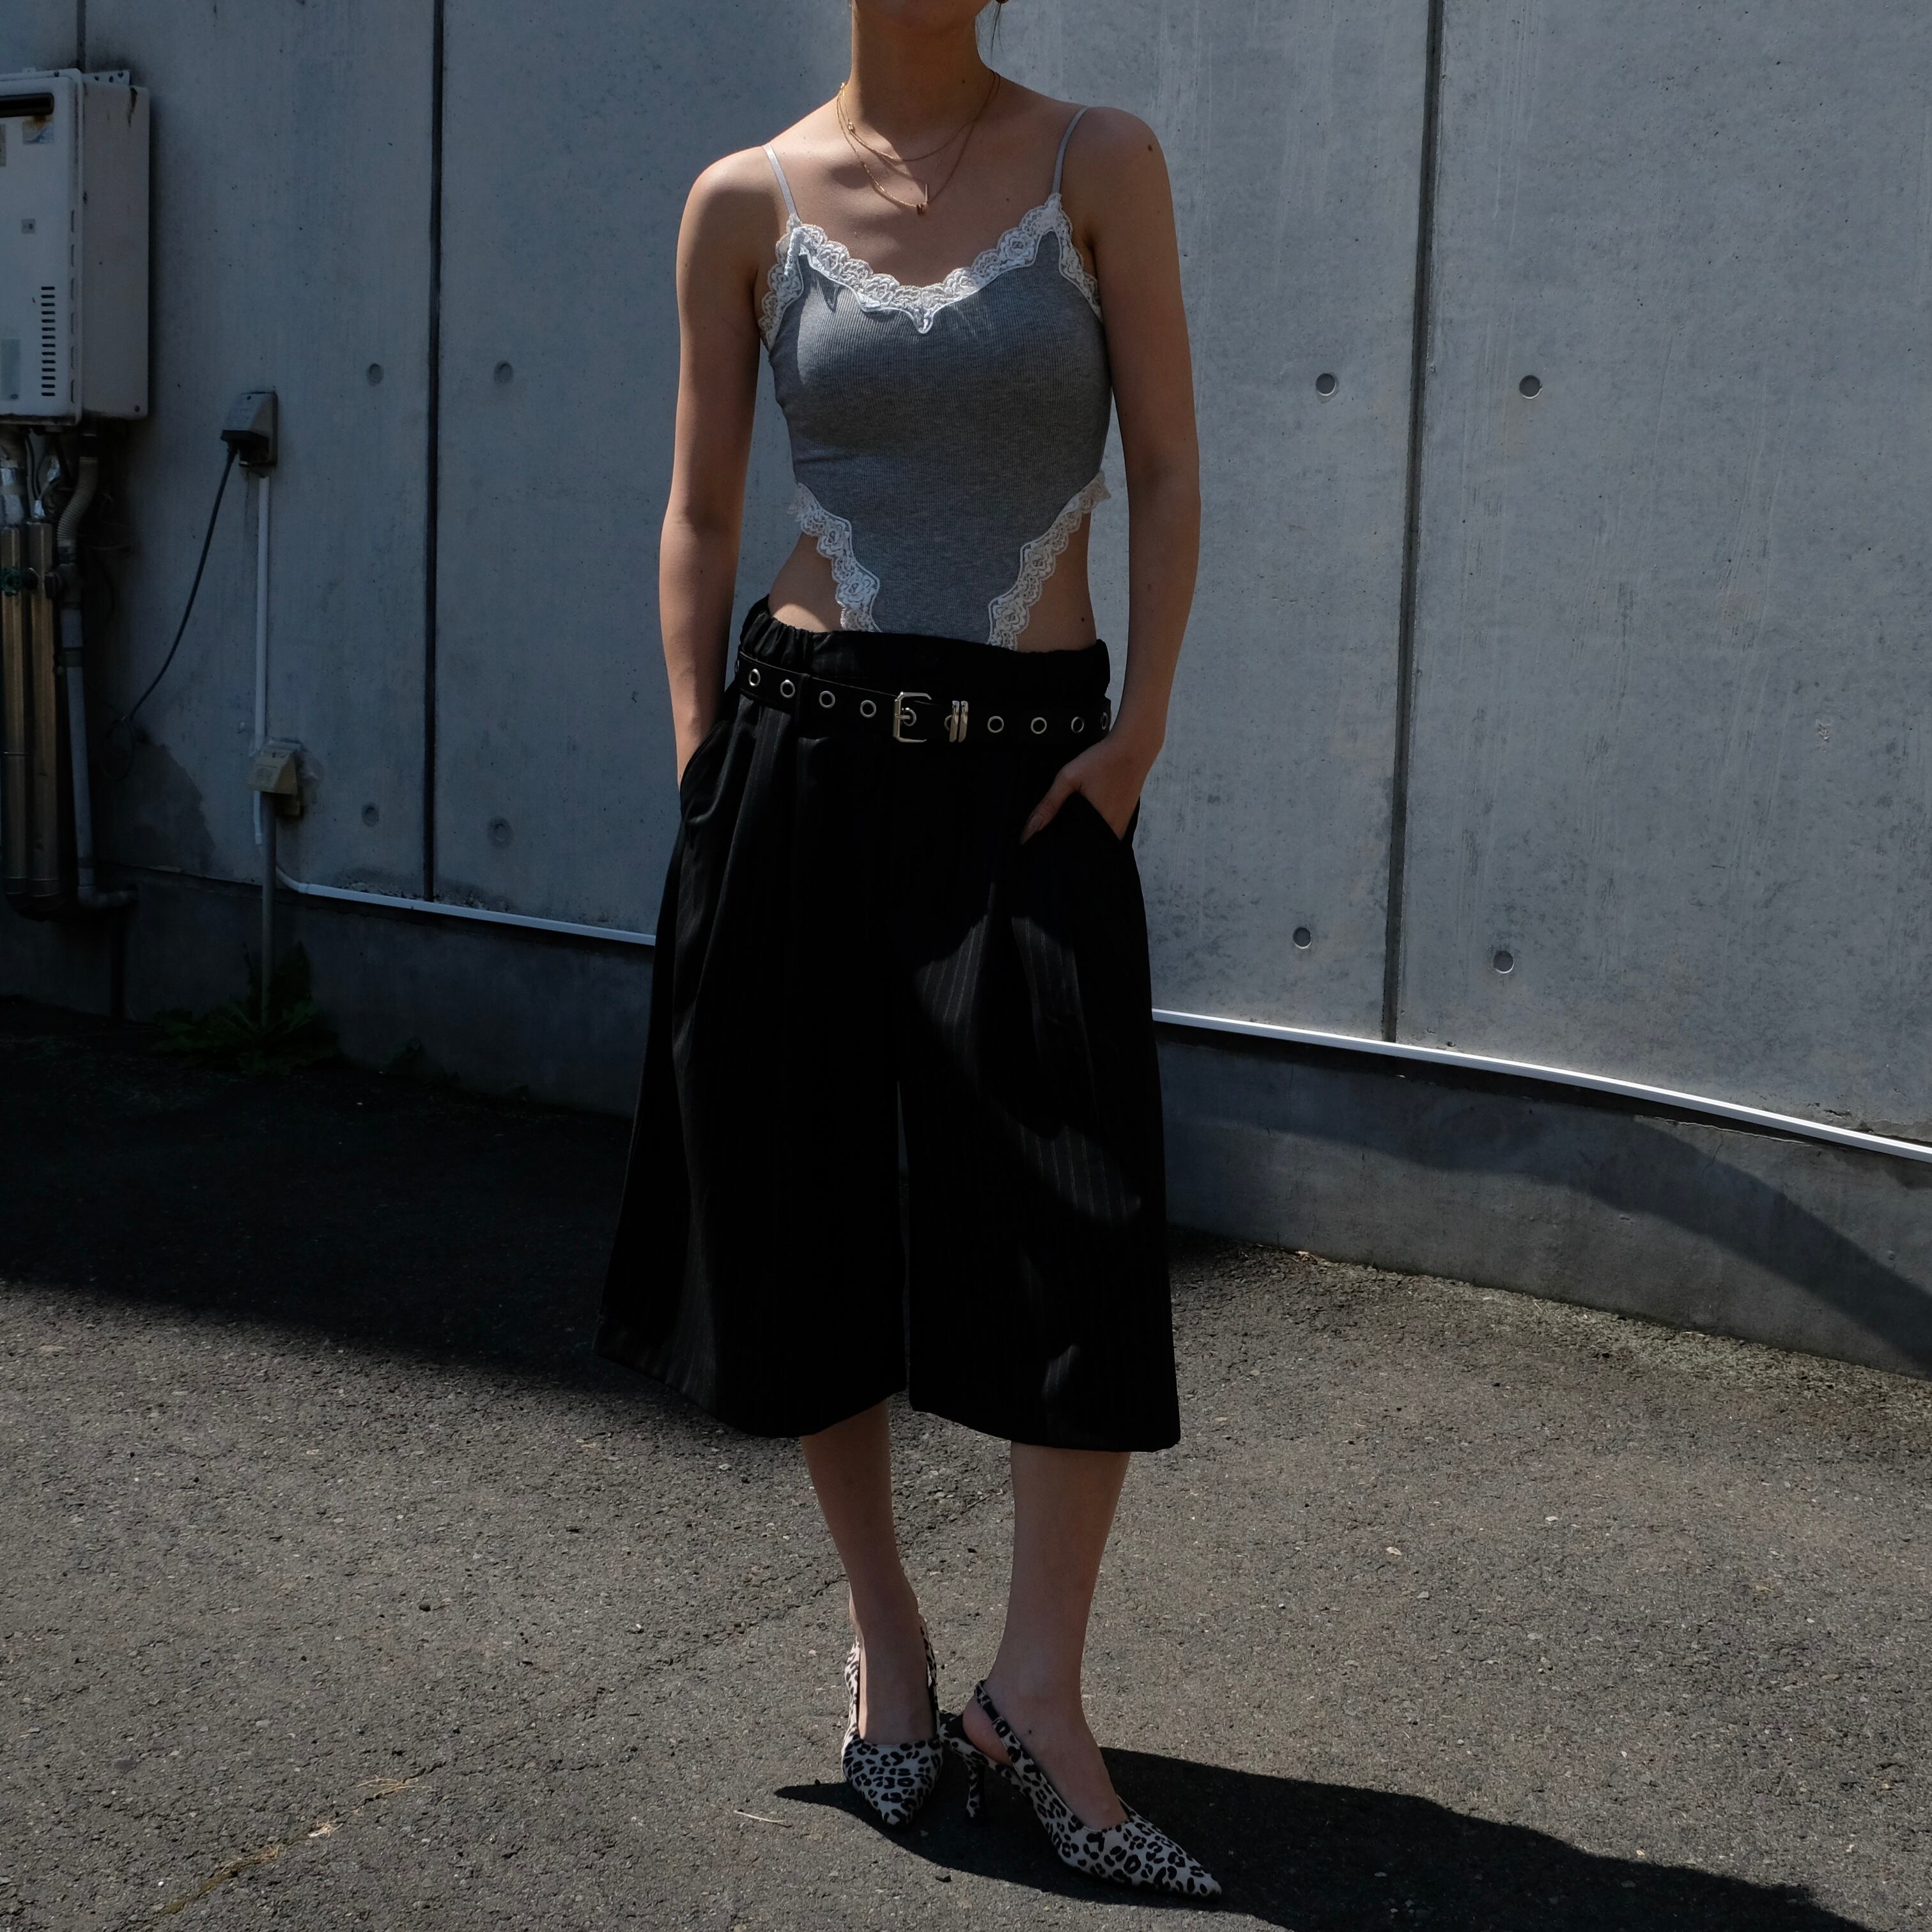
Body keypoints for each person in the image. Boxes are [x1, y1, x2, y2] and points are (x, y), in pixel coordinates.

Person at [597, 0, 1212, 1898]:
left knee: (1075, 1212)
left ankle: (1040, 1688)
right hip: (803, 750)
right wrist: (705, 766)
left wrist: (1140, 735)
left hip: (1031, 774)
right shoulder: (744, 201)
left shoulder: (1100, 161)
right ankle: (888, 1639)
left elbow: (1169, 466)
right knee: (804, 1207)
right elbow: (701, 507)